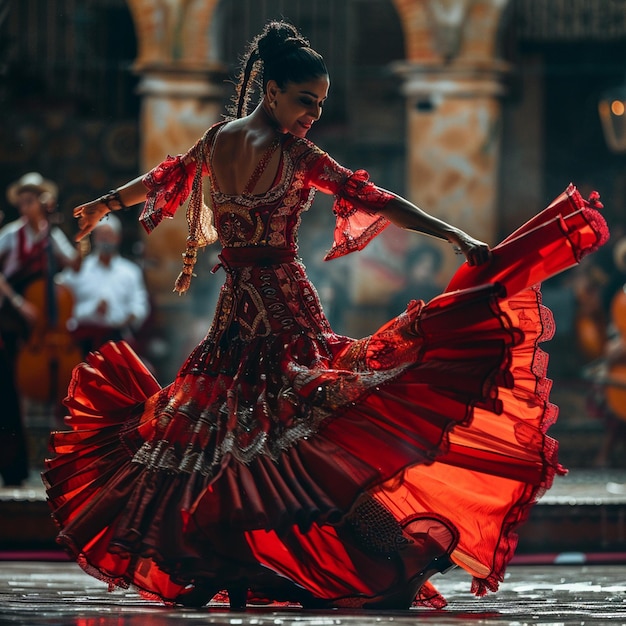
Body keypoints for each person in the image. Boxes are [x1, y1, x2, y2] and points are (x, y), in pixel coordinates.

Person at [42, 20, 609, 610]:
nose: (312, 114)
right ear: (273, 92)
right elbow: (176, 179)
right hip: (259, 318)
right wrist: (455, 233)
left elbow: (360, 197)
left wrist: (453, 234)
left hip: (262, 314)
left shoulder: (249, 146)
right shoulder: (259, 148)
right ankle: (267, 559)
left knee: (275, 441)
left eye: (320, 104)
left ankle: (332, 555)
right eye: (306, 101)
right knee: (262, 442)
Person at [0, 172, 79, 486]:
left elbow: (73, 264)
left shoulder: (50, 235)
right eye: (22, 200)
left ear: (41, 203)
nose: (24, 206)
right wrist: (19, 304)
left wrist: (76, 238)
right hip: (13, 313)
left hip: (41, 321)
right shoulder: (9, 234)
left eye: (30, 201)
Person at [58, 214, 150, 357]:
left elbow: (140, 305)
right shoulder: (79, 269)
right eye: (101, 235)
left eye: (109, 235)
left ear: (117, 238)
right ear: (95, 238)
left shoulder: (130, 271)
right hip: (81, 340)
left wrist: (130, 316)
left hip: (117, 338)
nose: (105, 239)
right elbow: (60, 292)